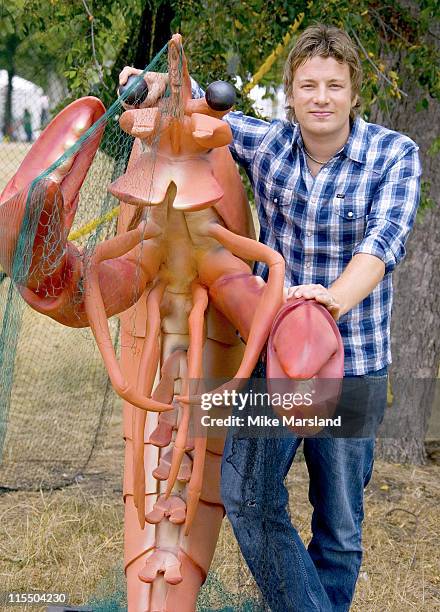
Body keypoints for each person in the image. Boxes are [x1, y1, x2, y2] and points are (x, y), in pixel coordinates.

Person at [119, 24, 421, 611]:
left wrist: (328, 301)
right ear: (290, 94)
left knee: (340, 528)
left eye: (335, 85)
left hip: (352, 365)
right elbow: (196, 105)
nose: (322, 97)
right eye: (308, 85)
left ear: (354, 92)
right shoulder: (268, 144)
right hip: (275, 365)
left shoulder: (395, 155)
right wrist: (155, 84)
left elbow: (383, 245)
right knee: (247, 496)